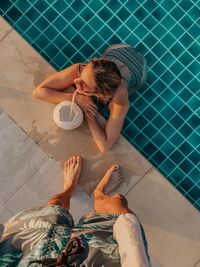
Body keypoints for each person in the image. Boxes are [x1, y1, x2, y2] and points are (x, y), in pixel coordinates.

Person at [0, 156, 151, 266]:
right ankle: (99, 193)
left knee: (56, 205)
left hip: (31, 258)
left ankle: (69, 188)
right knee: (118, 204)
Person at [33, 44, 147, 152]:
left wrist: (90, 114)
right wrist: (76, 98)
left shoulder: (119, 103)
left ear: (101, 95)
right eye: (82, 76)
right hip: (119, 49)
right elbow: (38, 92)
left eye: (83, 84)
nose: (76, 81)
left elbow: (105, 146)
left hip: (140, 71)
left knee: (130, 89)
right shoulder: (80, 69)